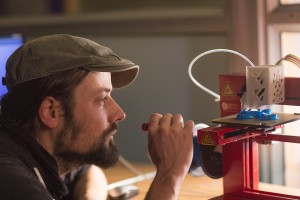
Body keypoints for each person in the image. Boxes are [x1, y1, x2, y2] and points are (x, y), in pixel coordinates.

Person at [0, 34, 194, 200]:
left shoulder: (37, 152)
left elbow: (85, 172)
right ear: (51, 111)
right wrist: (169, 175)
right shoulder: (13, 184)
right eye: (102, 99)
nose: (119, 114)